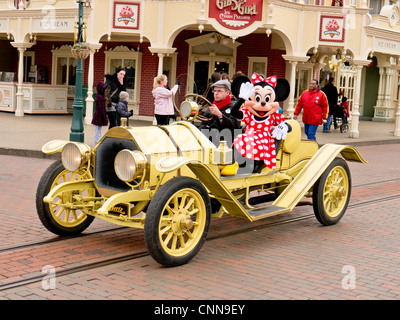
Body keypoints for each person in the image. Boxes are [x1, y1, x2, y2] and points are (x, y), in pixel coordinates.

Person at [198, 79, 241, 149]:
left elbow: (235, 127)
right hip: (208, 145)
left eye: (219, 91)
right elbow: (203, 126)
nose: (216, 93)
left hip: (226, 146)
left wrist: (220, 115)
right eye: (214, 91)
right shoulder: (210, 108)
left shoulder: (233, 108)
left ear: (227, 93)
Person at [91, 81, 109, 146]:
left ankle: (96, 145)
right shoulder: (101, 97)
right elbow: (102, 109)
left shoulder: (98, 96)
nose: (105, 90)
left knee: (97, 131)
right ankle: (96, 145)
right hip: (99, 117)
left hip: (97, 116)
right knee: (97, 133)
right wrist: (105, 118)